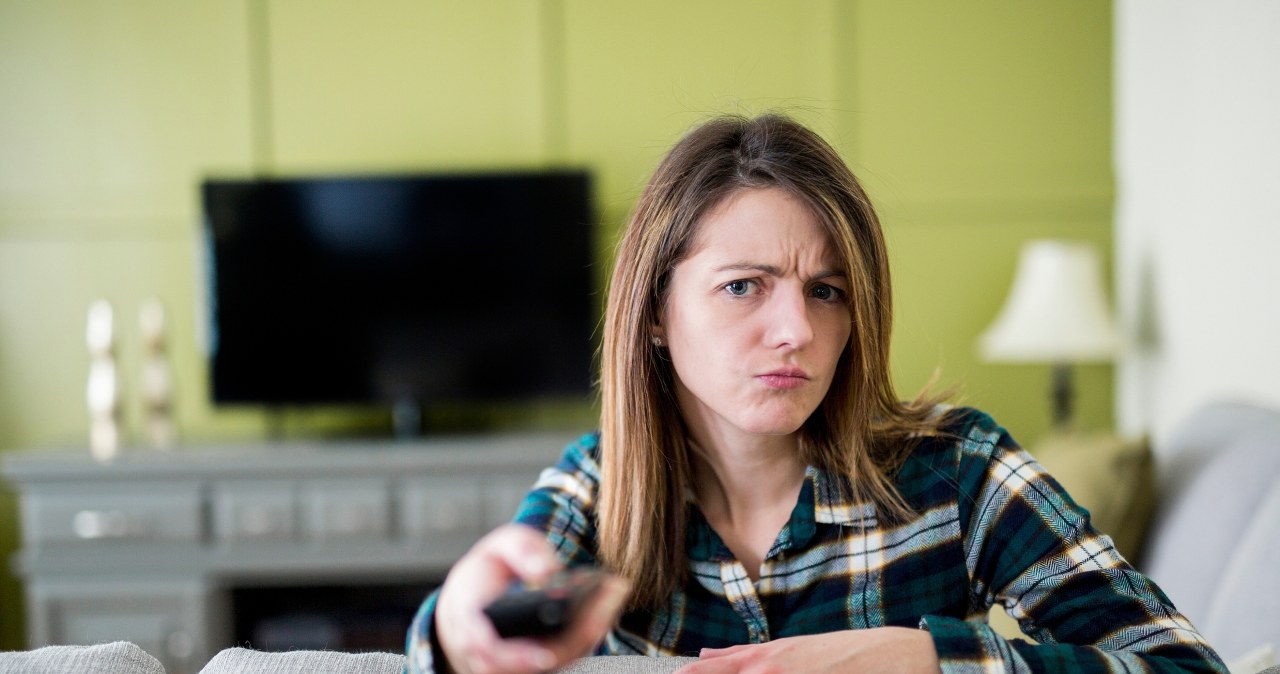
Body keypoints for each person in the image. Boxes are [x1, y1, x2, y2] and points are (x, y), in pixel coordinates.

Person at [407, 114, 1227, 674]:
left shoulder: (960, 470)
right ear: (656, 312)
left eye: (826, 291)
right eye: (743, 286)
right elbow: (458, 643)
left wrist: (925, 659)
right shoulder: (596, 486)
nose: (796, 329)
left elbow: (1182, 665)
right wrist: (456, 629)